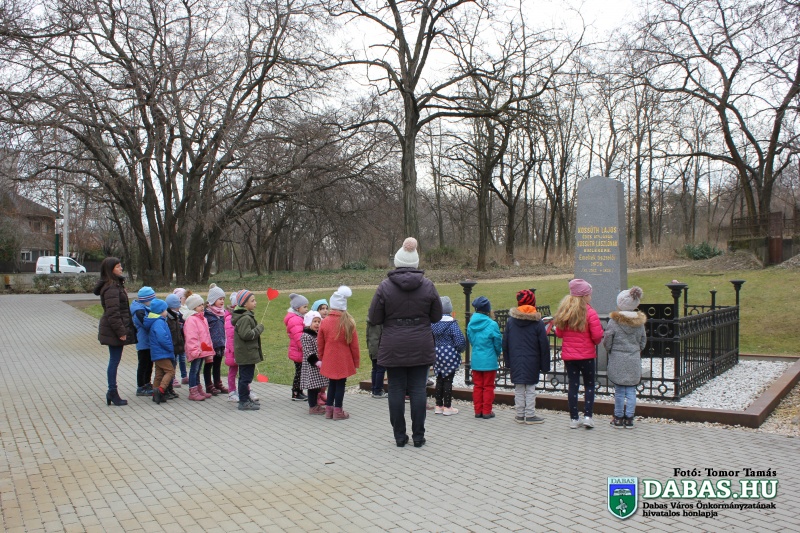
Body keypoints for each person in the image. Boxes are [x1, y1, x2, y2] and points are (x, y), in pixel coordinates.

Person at [367, 237, 443, 448]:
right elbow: (437, 316)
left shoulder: (385, 287)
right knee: (418, 390)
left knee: (396, 389)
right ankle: (418, 436)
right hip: (420, 343)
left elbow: (374, 317)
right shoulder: (428, 285)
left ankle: (400, 436)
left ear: (397, 261)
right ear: (416, 262)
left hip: (394, 343)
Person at [550, 279, 604, 429]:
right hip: (587, 356)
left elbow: (559, 333)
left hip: (570, 357)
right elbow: (597, 336)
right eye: (589, 294)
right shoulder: (590, 312)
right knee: (589, 385)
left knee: (573, 386)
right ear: (584, 296)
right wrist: (596, 340)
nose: (590, 297)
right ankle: (588, 416)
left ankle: (574, 418)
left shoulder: (566, 311)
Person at [502, 289, 550, 424]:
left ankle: (519, 414)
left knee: (518, 388)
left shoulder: (511, 321)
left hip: (516, 359)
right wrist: (545, 365)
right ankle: (530, 414)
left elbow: (505, 343)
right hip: (532, 360)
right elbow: (544, 345)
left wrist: (507, 361)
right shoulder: (537, 322)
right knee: (530, 388)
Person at [94, 257, 136, 406]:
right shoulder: (111, 287)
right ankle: (112, 391)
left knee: (114, 360)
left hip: (115, 328)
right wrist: (121, 331)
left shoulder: (115, 285)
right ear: (110, 270)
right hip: (113, 329)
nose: (121, 268)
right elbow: (113, 313)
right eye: (118, 266)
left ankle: (112, 391)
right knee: (114, 361)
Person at [604, 286, 647, 429]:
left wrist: (610, 349)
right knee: (631, 390)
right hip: (633, 357)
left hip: (617, 357)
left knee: (619, 391)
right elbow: (643, 340)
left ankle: (618, 417)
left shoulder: (614, 321)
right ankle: (629, 418)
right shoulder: (639, 323)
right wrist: (637, 349)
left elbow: (608, 338)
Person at [318, 286, 360, 420]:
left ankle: (329, 410)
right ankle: (338, 410)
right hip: (343, 360)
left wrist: (322, 357)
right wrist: (356, 361)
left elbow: (320, 343)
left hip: (329, 358)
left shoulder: (324, 322)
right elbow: (354, 346)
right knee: (341, 384)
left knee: (332, 384)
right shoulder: (348, 322)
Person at [467, 296, 502, 419]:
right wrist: (497, 353)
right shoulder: (492, 324)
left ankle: (478, 411)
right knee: (488, 386)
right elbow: (498, 342)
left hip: (476, 358)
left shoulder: (471, 324)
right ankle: (487, 411)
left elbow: (471, 340)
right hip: (489, 359)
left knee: (477, 386)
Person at [431, 296, 466, 416]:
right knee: (448, 380)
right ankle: (447, 406)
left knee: (439, 378)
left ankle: (438, 405)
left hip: (436, 353)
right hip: (449, 353)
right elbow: (459, 340)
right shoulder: (451, 323)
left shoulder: (433, 323)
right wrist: (460, 350)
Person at [231, 290, 264, 411]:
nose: (255, 302)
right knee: (245, 378)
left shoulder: (246, 316)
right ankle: (243, 401)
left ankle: (245, 398)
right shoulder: (245, 318)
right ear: (244, 304)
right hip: (246, 353)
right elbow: (246, 335)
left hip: (247, 353)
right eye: (252, 300)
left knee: (246, 377)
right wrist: (259, 329)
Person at [184, 294, 216, 401]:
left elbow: (206, 335)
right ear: (193, 307)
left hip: (203, 350)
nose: (202, 307)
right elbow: (191, 337)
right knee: (194, 370)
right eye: (199, 305)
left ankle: (198, 389)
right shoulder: (191, 320)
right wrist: (194, 350)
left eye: (202, 304)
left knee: (198, 370)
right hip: (197, 350)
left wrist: (208, 348)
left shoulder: (203, 318)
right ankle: (193, 391)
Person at [144, 299, 175, 404]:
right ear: (161, 311)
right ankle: (161, 390)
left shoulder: (155, 321)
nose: (166, 312)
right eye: (165, 310)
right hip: (162, 352)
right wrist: (170, 347)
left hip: (157, 353)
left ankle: (155, 393)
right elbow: (162, 337)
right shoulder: (159, 322)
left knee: (159, 374)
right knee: (170, 371)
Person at [300, 310, 328, 415]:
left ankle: (316, 404)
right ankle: (312, 406)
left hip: (319, 365)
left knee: (318, 386)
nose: (317, 324)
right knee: (312, 387)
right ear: (308, 323)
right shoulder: (306, 336)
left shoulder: (318, 334)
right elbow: (308, 352)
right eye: (314, 321)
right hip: (312, 365)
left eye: (318, 321)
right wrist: (316, 362)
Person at [204, 284, 229, 396]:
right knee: (209, 364)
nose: (222, 301)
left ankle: (217, 383)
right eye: (220, 299)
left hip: (220, 343)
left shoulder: (223, 313)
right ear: (213, 300)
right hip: (210, 344)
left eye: (223, 299)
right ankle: (209, 385)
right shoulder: (207, 314)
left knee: (217, 364)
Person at [131, 286, 156, 396]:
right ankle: (141, 386)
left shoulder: (146, 309)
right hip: (143, 342)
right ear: (146, 300)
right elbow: (146, 324)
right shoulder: (139, 311)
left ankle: (147, 382)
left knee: (149, 364)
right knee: (143, 364)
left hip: (149, 342)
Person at [284, 293, 309, 401]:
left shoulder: (299, 318)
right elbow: (299, 337)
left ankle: (299, 391)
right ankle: (296, 392)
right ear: (297, 308)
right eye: (305, 307)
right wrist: (305, 348)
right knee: (300, 373)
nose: (307, 309)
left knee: (301, 372)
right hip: (298, 351)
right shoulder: (295, 320)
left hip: (299, 351)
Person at [165, 294, 185, 391]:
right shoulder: (169, 318)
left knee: (174, 364)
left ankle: (170, 386)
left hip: (176, 345)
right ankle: (169, 385)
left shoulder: (176, 316)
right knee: (170, 367)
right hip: (171, 346)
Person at [224, 291, 240, 402]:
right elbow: (231, 336)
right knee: (233, 370)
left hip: (240, 349)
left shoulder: (241, 316)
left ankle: (246, 389)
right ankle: (231, 391)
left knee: (244, 371)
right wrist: (234, 350)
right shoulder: (230, 318)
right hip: (232, 350)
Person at [171, 288, 189, 385]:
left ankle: (184, 376)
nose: (185, 299)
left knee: (182, 358)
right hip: (175, 341)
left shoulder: (184, 311)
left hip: (182, 339)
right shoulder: (173, 314)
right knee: (174, 359)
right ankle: (172, 377)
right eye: (183, 297)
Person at [366, 319, 387, 398]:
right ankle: (378, 391)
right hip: (379, 348)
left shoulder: (370, 321)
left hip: (372, 347)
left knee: (375, 368)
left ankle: (374, 389)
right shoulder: (378, 322)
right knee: (380, 369)